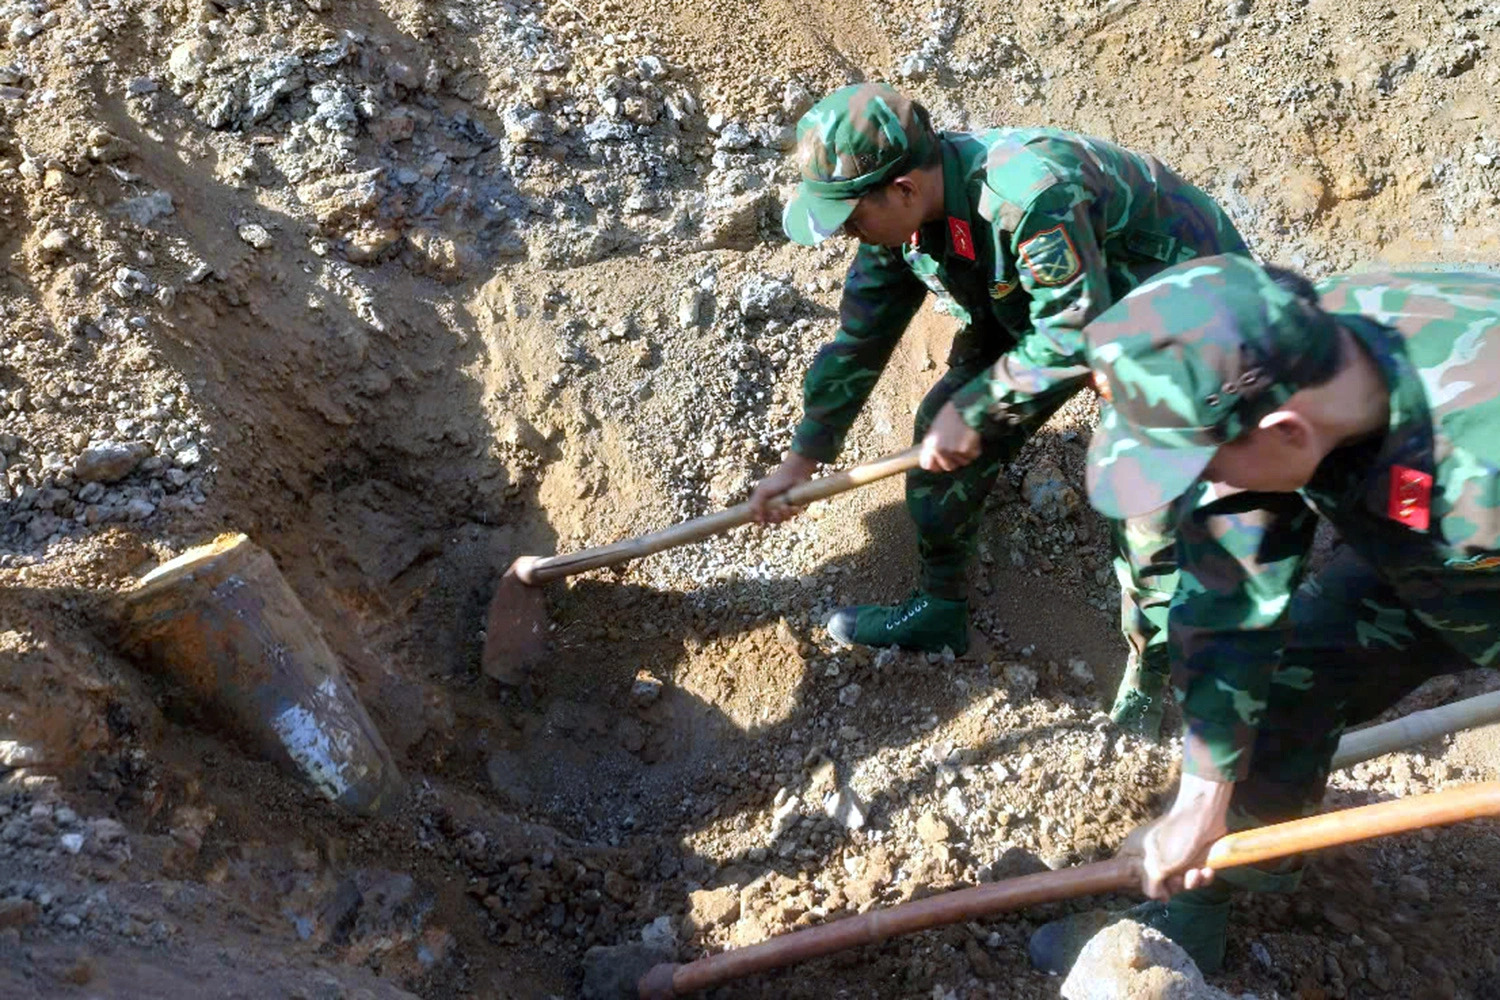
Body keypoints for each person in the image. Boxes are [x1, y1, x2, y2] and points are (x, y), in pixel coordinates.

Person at [1030, 254, 1500, 973]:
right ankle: (1201, 908)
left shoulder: (1481, 448)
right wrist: (1200, 797)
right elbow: (1229, 598)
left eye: (1206, 467)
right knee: (1285, 678)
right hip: (1430, 563)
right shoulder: (1280, 343)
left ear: (1287, 432)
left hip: (1473, 537)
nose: (1204, 485)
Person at [749, 82, 1248, 733]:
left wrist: (982, 407)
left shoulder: (1026, 194)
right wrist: (804, 457)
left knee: (1144, 501)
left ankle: (1153, 678)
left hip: (1180, 304)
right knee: (940, 435)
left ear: (902, 189)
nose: (846, 232)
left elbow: (1073, 333)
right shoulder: (902, 225)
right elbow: (860, 338)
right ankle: (940, 610)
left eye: (848, 216)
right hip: (1047, 310)